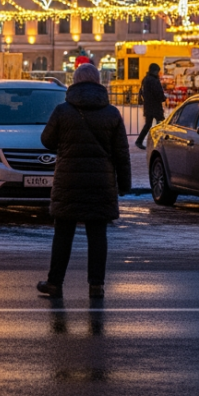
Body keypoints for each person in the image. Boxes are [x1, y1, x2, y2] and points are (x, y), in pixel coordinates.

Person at [36, 63, 131, 300]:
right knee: (97, 235)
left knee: (63, 234)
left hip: (69, 181)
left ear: (75, 82)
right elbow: (122, 152)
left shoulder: (63, 111)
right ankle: (96, 286)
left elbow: (46, 140)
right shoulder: (112, 113)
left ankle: (55, 283)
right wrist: (125, 184)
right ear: (98, 83)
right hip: (101, 183)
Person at [135, 63, 166, 150]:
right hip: (155, 105)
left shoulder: (145, 79)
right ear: (155, 71)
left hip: (148, 105)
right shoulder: (154, 80)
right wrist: (163, 98)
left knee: (148, 124)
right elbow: (158, 92)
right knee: (161, 123)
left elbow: (142, 91)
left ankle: (140, 141)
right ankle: (158, 142)